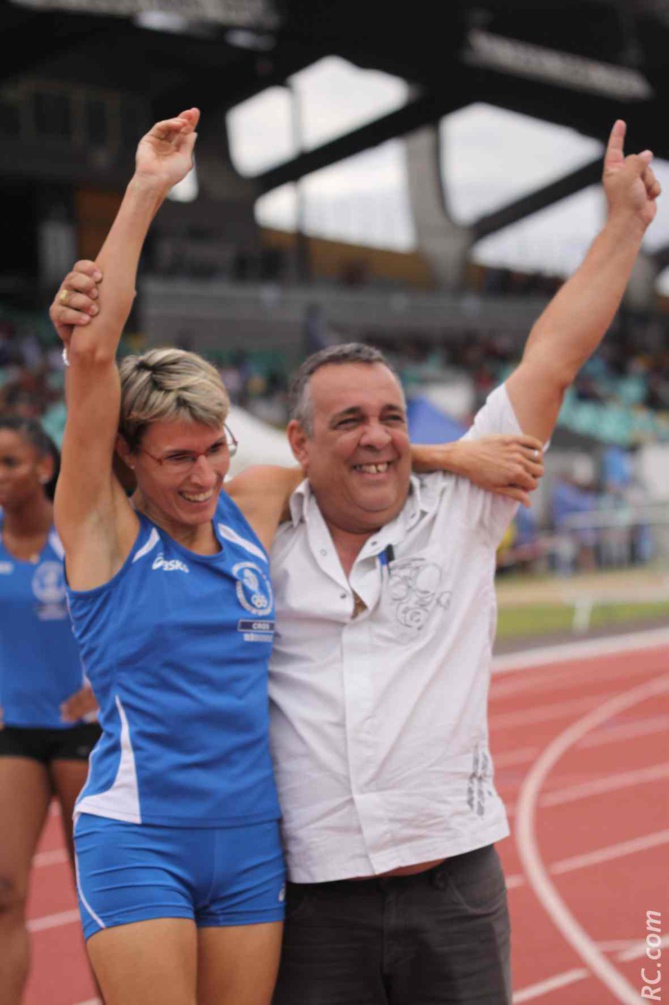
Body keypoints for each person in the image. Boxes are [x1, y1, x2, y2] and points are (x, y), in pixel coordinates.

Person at [48, 109, 544, 1005]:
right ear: (128, 456)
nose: (201, 475)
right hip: (141, 832)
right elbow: (92, 352)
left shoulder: (252, 501)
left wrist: (454, 453)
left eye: (214, 450)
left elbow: (347, 451)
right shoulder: (100, 531)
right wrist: (146, 190)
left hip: (251, 845)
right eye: (177, 458)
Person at [260, 120, 659, 1004]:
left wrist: (623, 228)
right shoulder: (262, 533)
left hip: (454, 891)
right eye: (348, 422)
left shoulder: (464, 511)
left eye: (393, 417)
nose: (377, 437)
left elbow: (551, 358)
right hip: (311, 901)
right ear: (298, 440)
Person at [0, 416, 100, 1005]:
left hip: (83, 733)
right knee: (6, 891)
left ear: (44, 467)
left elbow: (133, 615)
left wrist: (105, 684)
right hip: (16, 732)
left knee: (97, 897)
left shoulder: (79, 536)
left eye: (10, 462)